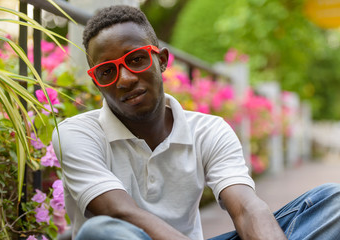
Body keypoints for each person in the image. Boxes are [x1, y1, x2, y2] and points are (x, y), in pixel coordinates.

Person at [52, 5, 340, 240]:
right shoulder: (74, 134)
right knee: (100, 232)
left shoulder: (209, 130)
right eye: (107, 72)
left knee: (333, 202)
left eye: (137, 59)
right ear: (96, 83)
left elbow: (246, 207)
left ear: (162, 61)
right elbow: (122, 213)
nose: (125, 79)